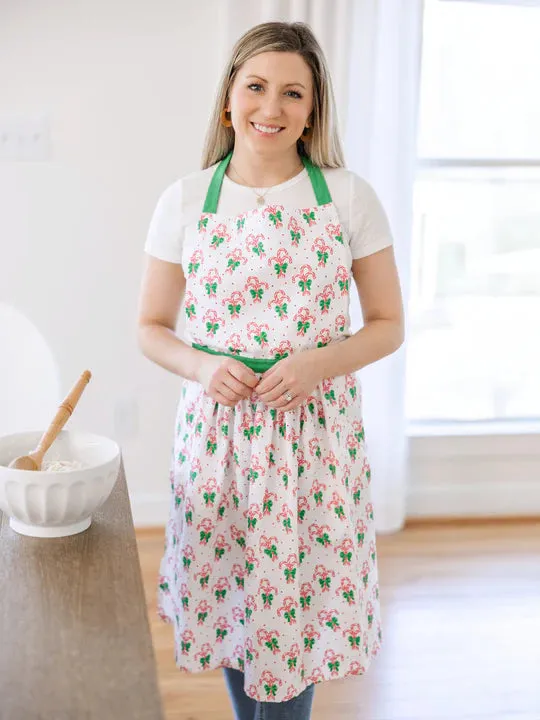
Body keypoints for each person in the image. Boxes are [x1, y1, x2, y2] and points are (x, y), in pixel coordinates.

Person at [138, 20, 404, 720]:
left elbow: (387, 325)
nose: (271, 107)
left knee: (295, 616)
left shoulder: (348, 197)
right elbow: (150, 329)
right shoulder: (186, 200)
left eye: (293, 93)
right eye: (256, 87)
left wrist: (320, 362)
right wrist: (201, 365)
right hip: (217, 438)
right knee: (232, 606)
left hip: (312, 442)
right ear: (228, 97)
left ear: (312, 109)